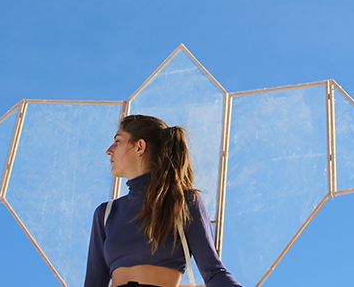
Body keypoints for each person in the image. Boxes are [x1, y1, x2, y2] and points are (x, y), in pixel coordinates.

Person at [84, 115, 242, 287]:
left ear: (140, 147)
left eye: (117, 141)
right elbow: (93, 283)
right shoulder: (105, 213)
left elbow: (213, 272)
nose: (109, 150)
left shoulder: (183, 202)